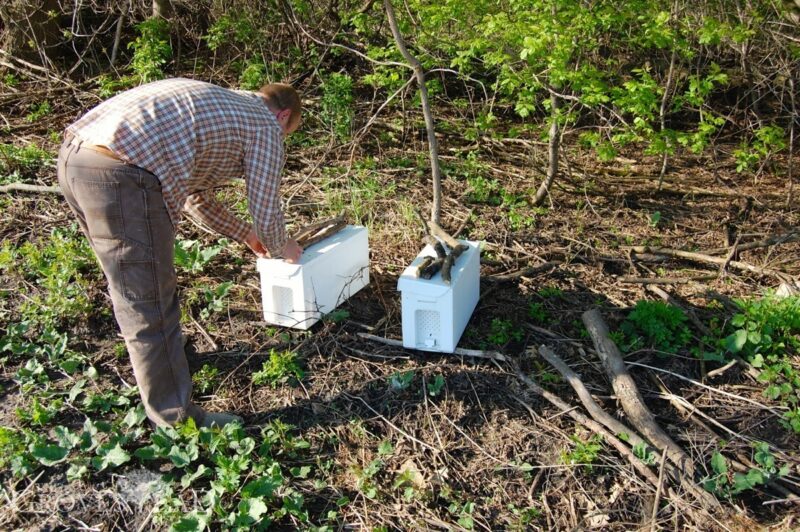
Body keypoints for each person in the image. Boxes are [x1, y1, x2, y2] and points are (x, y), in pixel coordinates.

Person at [57, 78, 303, 428]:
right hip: (122, 172)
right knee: (147, 299)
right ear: (283, 116)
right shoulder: (265, 126)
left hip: (76, 158)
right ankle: (176, 417)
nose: (283, 139)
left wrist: (245, 235)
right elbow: (265, 208)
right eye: (288, 132)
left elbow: (195, 197)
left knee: (130, 282)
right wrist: (283, 245)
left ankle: (170, 362)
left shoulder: (227, 108)